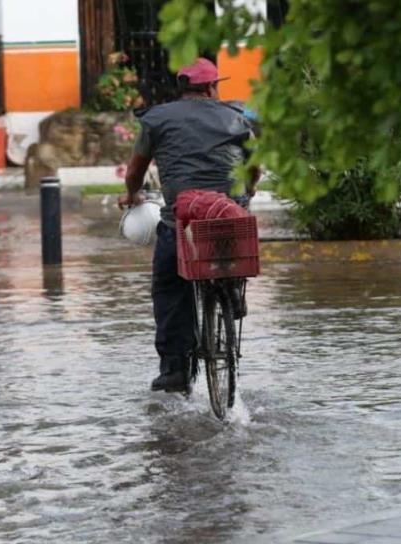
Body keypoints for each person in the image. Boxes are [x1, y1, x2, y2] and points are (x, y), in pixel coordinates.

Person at [119, 57, 259, 392]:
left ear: (181, 90)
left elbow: (136, 171)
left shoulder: (157, 120)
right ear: (212, 88)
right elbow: (254, 166)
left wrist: (131, 194)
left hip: (182, 218)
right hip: (228, 213)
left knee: (168, 283)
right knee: (235, 229)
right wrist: (249, 190)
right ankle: (232, 291)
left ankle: (175, 369)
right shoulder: (237, 116)